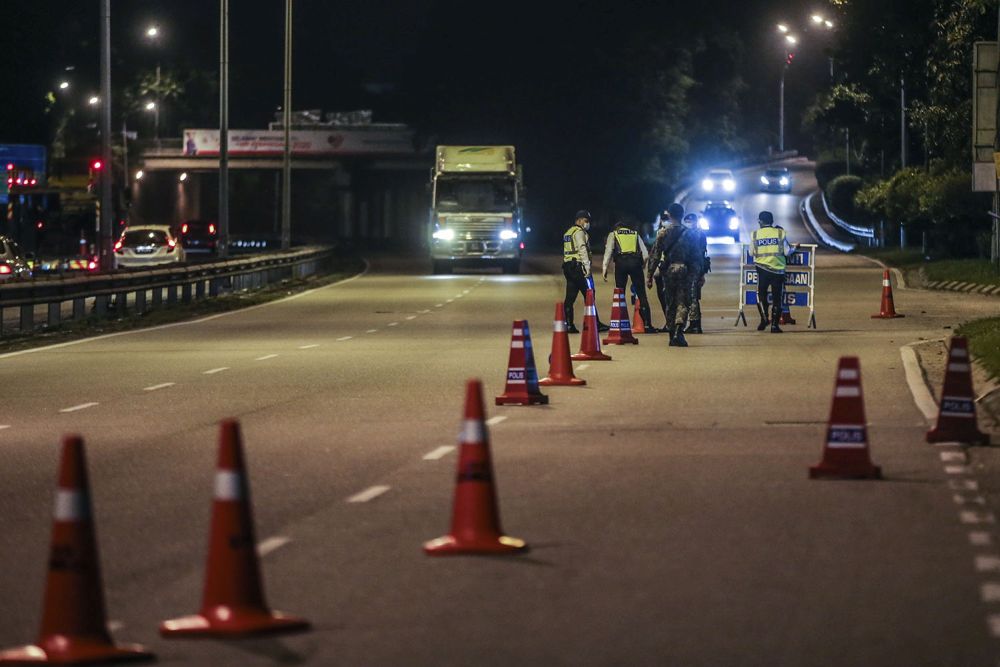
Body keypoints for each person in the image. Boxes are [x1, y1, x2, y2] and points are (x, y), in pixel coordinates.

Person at [646, 202, 694, 347]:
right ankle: (679, 329)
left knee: (670, 303)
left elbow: (655, 255)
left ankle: (672, 334)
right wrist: (698, 275)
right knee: (683, 301)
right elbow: (696, 257)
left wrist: (649, 276)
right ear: (682, 215)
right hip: (685, 270)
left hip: (668, 271)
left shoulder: (663, 232)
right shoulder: (690, 233)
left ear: (669, 215)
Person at [602, 219, 658, 333]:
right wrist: (641, 265)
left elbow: (608, 252)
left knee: (620, 294)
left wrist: (605, 268)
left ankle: (621, 323)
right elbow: (646, 255)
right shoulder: (635, 234)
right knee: (641, 294)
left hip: (621, 263)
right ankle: (647, 325)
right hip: (635, 263)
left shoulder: (613, 234)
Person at [750, 210, 799, 333]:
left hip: (762, 269)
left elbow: (751, 253)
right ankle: (775, 326)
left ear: (760, 221)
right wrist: (795, 248)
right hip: (778, 270)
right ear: (772, 221)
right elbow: (787, 252)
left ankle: (764, 319)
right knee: (778, 298)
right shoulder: (780, 233)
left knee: (761, 295)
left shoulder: (755, 234)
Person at [562, 210, 595, 334]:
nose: (587, 224)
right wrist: (587, 267)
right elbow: (582, 249)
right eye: (586, 221)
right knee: (589, 294)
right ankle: (593, 323)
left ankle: (569, 324)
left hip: (568, 266)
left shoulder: (568, 232)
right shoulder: (579, 232)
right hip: (577, 266)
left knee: (570, 297)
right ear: (579, 220)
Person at [682, 213, 710, 334]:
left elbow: (701, 253)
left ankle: (695, 325)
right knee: (693, 295)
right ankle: (694, 324)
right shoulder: (701, 234)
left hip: (691, 268)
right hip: (697, 267)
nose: (689, 223)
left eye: (690, 221)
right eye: (687, 221)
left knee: (692, 296)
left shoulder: (686, 234)